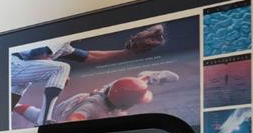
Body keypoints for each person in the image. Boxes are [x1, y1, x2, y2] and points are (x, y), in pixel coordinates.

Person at [10, 24, 166, 125]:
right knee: (61, 69)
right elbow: (38, 53)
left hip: (19, 68)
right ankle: (44, 121)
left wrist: (126, 53)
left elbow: (88, 56)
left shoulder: (64, 44)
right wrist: (58, 72)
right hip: (13, 64)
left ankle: (35, 116)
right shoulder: (58, 37)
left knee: (10, 103)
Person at [13, 70, 179, 123]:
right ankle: (13, 105)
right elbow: (75, 117)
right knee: (40, 118)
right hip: (62, 114)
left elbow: (133, 86)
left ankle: (149, 76)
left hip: (103, 99)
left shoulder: (116, 89)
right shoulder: (93, 108)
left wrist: (145, 79)